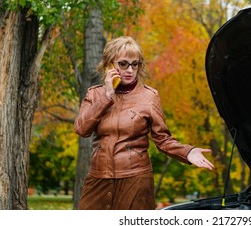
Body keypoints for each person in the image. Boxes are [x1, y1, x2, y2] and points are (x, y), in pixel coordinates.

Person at [74, 36, 214, 210]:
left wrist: (188, 152)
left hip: (135, 180)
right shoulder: (95, 94)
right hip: (99, 178)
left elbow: (163, 140)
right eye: (123, 63)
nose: (130, 70)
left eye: (135, 64)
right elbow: (82, 129)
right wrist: (107, 95)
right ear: (110, 64)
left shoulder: (149, 96)